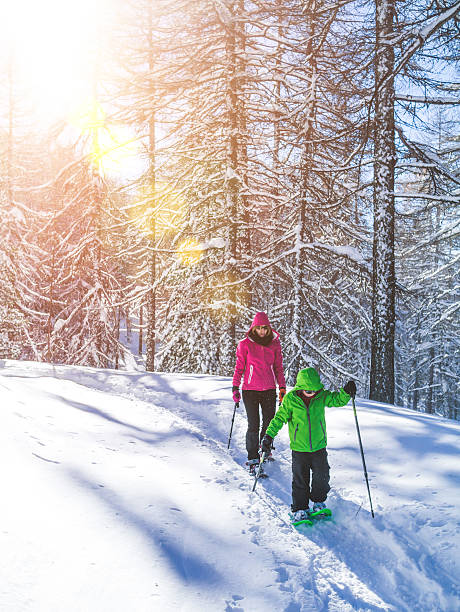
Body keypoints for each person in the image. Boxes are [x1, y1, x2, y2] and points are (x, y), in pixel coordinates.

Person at [260, 366, 356, 522]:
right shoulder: (291, 400)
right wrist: (269, 435)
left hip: (319, 446)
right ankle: (300, 509)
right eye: (308, 391)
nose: (312, 393)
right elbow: (279, 419)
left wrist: (346, 392)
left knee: (322, 475)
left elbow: (337, 400)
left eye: (314, 391)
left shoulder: (321, 396)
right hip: (299, 449)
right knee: (300, 480)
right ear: (301, 388)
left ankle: (318, 503)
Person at [232, 312, 286, 475]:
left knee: (269, 423)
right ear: (254, 328)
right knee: (253, 424)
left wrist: (282, 387)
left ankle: (265, 448)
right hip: (250, 391)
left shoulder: (274, 344)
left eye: (265, 328)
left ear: (268, 328)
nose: (262, 331)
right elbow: (239, 367)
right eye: (259, 328)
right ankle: (253, 457)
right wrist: (235, 387)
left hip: (269, 389)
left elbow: (278, 368)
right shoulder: (245, 344)